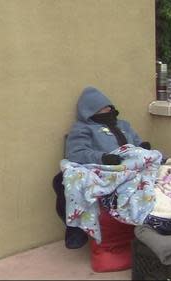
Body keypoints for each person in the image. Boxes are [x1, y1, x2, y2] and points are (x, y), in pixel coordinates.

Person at [54, 86, 151, 249]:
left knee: (163, 167)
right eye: (102, 108)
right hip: (104, 169)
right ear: (90, 112)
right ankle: (76, 228)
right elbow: (76, 152)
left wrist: (142, 148)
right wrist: (103, 157)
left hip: (131, 166)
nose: (107, 110)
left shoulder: (123, 125)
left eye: (108, 107)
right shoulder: (82, 128)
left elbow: (135, 142)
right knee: (64, 180)